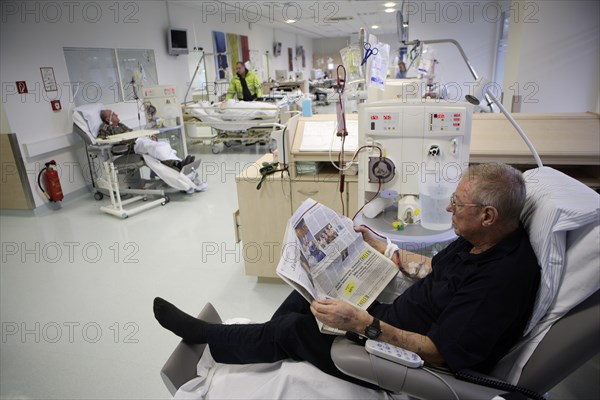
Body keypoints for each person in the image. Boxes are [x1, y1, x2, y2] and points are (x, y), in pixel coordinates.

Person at [154, 163, 540, 387]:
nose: (449, 207)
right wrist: (380, 245)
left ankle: (210, 337)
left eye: (457, 203)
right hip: (393, 314)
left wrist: (362, 323)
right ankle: (271, 350)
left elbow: (439, 353)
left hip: (398, 352)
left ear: (488, 215)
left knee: (295, 328)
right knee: (303, 296)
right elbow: (434, 269)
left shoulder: (502, 281)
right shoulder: (479, 239)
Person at [99, 109, 194, 171]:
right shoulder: (106, 128)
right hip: (132, 147)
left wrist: (147, 136)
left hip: (138, 141)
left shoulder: (120, 125)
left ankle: (179, 163)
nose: (116, 114)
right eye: (113, 114)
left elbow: (133, 133)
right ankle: (178, 164)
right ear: (108, 119)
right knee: (155, 148)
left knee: (163, 144)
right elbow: (101, 140)